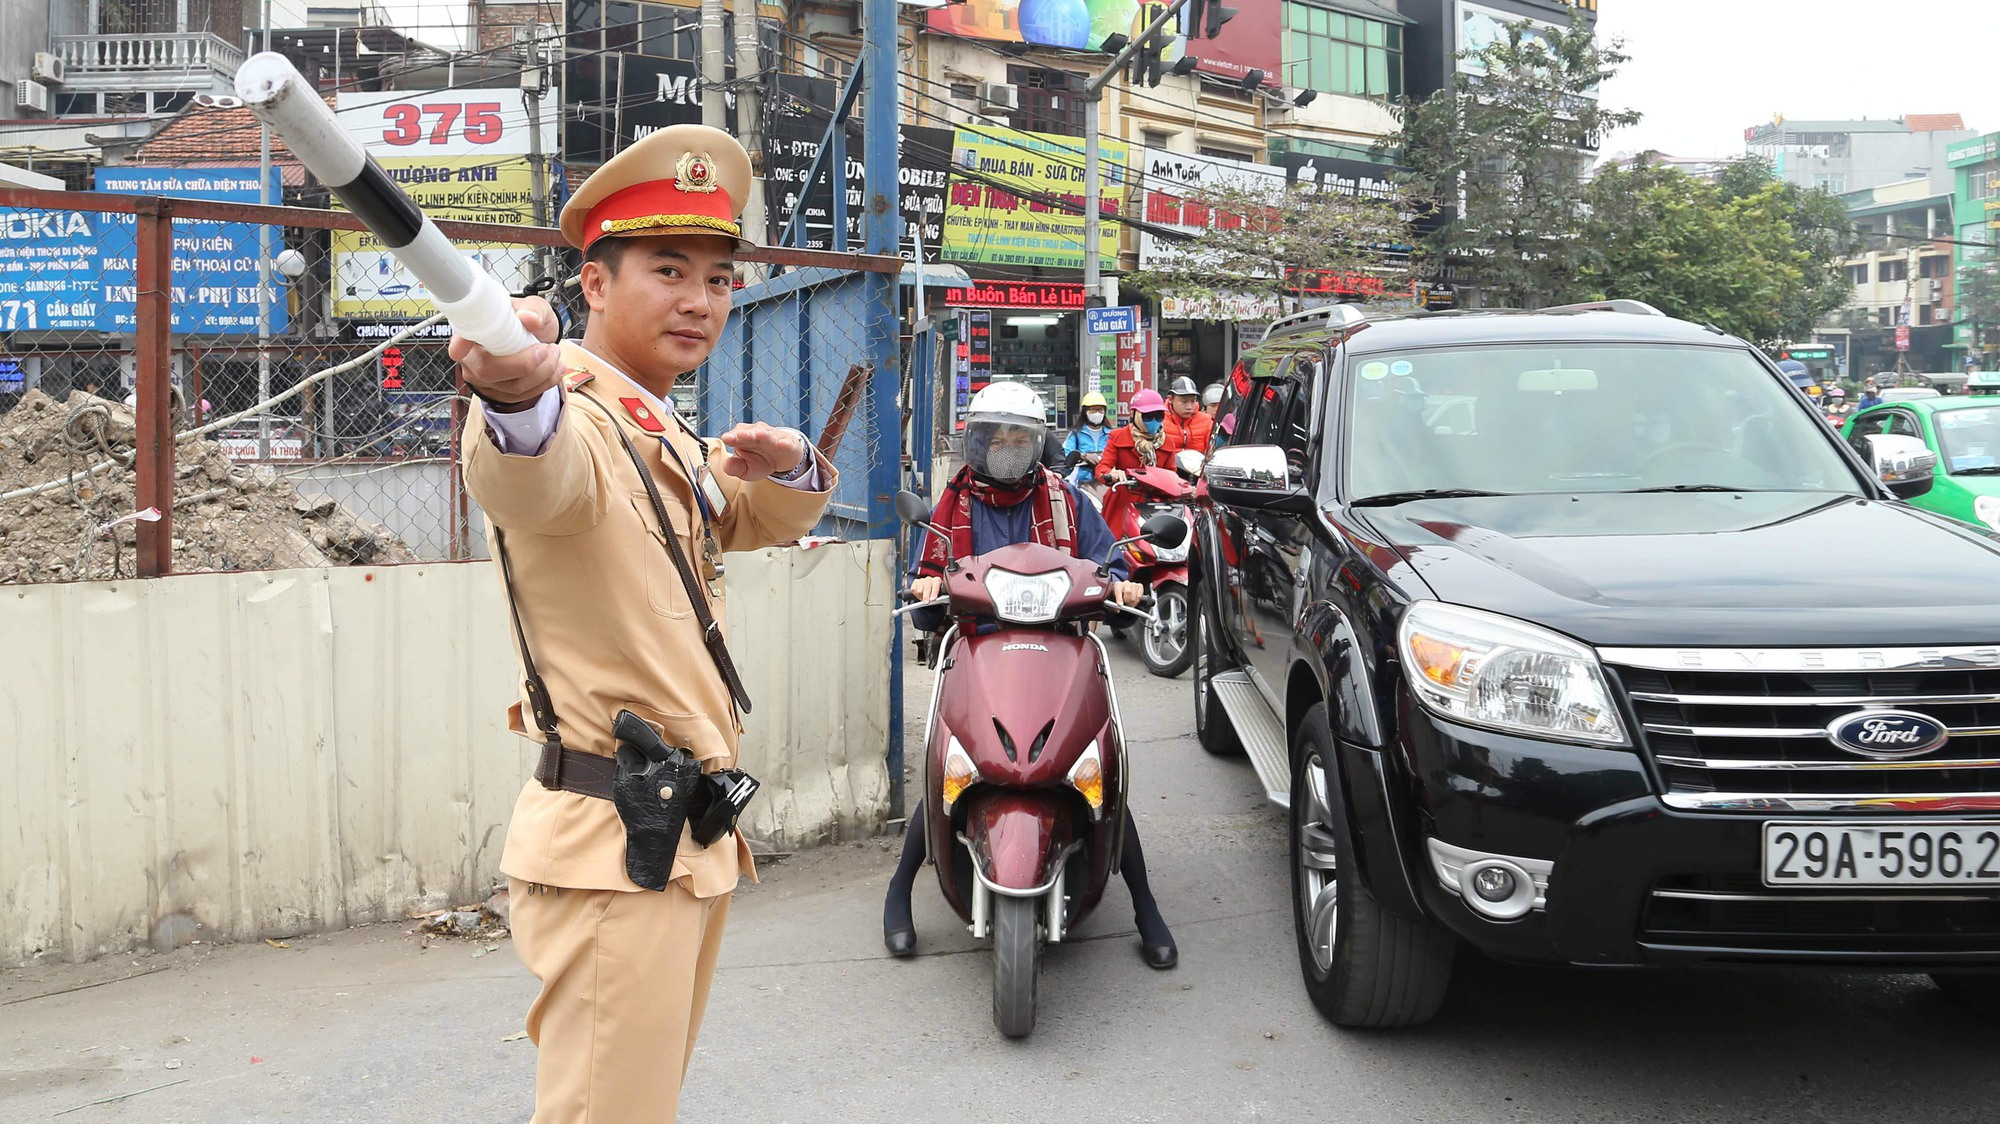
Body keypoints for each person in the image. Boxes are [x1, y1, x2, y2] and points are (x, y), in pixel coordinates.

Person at [451, 124, 835, 1122]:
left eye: (715, 278)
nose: (699, 301)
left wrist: (790, 463)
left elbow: (738, 513)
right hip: (617, 839)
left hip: (676, 836)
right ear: (594, 283)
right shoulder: (573, 415)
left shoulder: (652, 421)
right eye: (668, 269)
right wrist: (509, 391)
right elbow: (534, 475)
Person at [883, 381, 1179, 969]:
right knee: (953, 764)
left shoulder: (1065, 499)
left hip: (1059, 649)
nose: (1007, 447)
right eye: (995, 435)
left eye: (1020, 437)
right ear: (976, 440)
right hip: (981, 647)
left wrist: (1120, 578)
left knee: (1096, 765)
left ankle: (1145, 905)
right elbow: (932, 563)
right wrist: (926, 582)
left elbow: (1110, 554)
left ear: (1039, 443)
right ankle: (899, 893)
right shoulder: (954, 503)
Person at [1099, 387, 1170, 483]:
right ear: (1133, 414)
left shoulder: (1168, 442)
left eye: (1159, 416)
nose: (1154, 421)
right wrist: (1112, 474)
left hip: (1156, 496)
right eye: (1148, 416)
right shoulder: (1117, 437)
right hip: (1124, 494)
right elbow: (1102, 468)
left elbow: (1171, 476)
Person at [1060, 390, 1112, 490]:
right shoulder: (1075, 434)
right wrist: (1083, 456)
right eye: (1093, 410)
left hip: (1106, 481)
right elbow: (1065, 456)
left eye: (1100, 410)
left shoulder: (1111, 434)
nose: (1097, 413)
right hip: (1081, 484)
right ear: (1085, 412)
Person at [1161, 375, 1213, 460]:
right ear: (1170, 399)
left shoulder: (1206, 421)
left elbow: (1211, 451)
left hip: (1198, 469)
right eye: (1184, 401)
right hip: (1167, 470)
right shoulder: (1160, 419)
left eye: (1193, 401)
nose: (1189, 406)